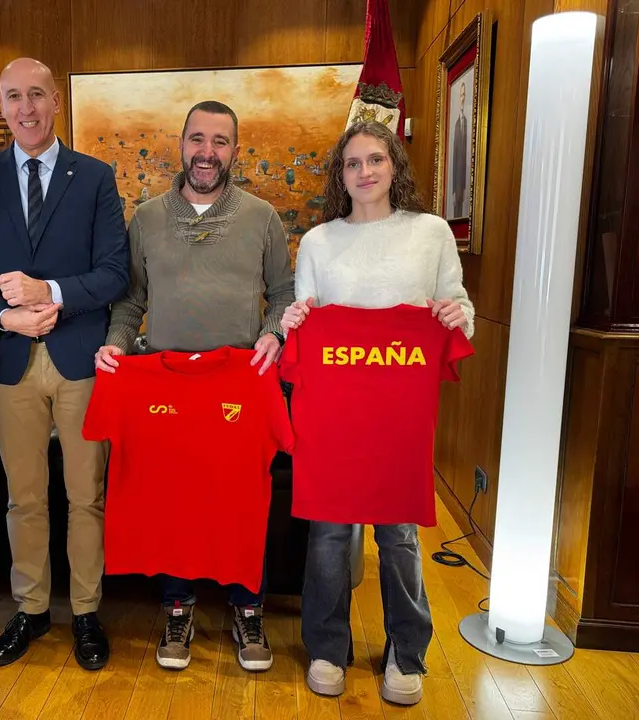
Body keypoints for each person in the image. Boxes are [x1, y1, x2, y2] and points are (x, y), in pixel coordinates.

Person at [95, 100, 295, 672]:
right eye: (198, 139)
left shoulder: (262, 217)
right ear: (180, 144)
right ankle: (178, 606)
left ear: (235, 149)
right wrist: (115, 340)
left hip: (238, 384)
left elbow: (283, 292)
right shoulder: (147, 218)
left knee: (242, 499)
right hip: (168, 385)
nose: (208, 152)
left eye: (221, 141)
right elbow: (131, 300)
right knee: (175, 499)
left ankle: (247, 606)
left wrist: (274, 335)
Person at [280, 120, 474, 706]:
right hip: (335, 412)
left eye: (375, 160)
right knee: (330, 532)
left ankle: (406, 653)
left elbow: (458, 305)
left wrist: (451, 315)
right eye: (352, 163)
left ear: (394, 166)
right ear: (340, 175)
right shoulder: (317, 242)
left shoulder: (431, 232)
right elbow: (305, 313)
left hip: (398, 412)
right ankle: (325, 647)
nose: (364, 172)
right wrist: (292, 324)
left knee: (399, 533)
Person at [0, 57, 129, 671]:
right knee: (23, 498)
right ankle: (29, 611)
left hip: (79, 357)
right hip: (9, 362)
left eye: (36, 95)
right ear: (0, 105)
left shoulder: (96, 177)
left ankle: (84, 612)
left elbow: (114, 273)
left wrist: (45, 293)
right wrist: (5, 318)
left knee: (86, 496)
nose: (25, 108)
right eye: (12, 97)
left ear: (56, 102)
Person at [452, 82, 468, 218]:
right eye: (461, 95)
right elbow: (454, 158)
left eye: (464, 95)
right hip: (457, 183)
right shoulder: (457, 124)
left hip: (466, 180)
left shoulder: (468, 122)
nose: (463, 98)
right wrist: (453, 190)